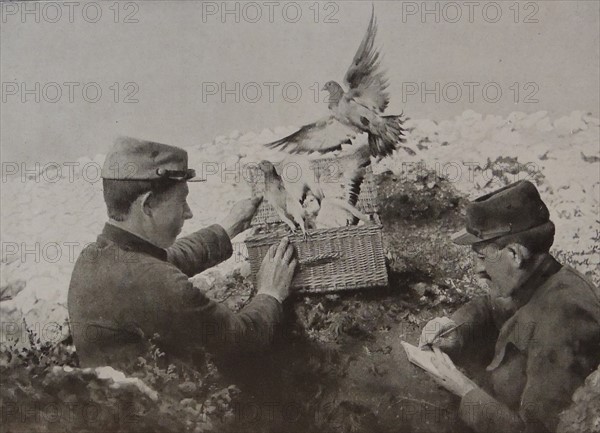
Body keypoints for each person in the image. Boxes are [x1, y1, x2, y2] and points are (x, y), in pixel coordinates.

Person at [68, 136, 297, 371]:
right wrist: (270, 293)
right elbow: (241, 340)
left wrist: (230, 226)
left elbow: (169, 259)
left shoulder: (94, 258)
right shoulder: (152, 280)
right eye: (182, 202)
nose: (188, 213)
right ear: (147, 205)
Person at [418, 180, 600, 433]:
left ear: (514, 254)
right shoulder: (533, 277)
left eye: (482, 257)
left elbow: (536, 430)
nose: (477, 270)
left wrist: (463, 389)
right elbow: (492, 307)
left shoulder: (565, 318)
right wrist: (453, 331)